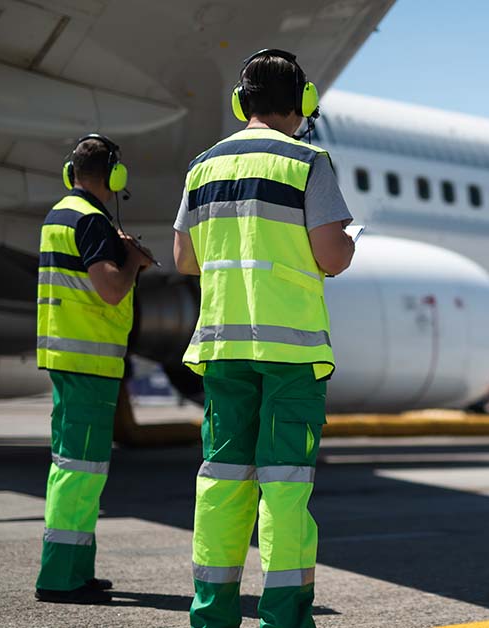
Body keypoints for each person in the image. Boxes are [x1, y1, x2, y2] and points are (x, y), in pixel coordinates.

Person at [173, 48, 355, 628]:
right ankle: (283, 617)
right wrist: (348, 244)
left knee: (221, 485)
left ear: (240, 102)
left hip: (224, 348)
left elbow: (184, 259)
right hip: (292, 353)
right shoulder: (308, 162)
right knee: (284, 489)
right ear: (303, 103)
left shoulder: (203, 167)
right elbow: (331, 256)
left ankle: (212, 615)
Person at [35, 134, 153, 604]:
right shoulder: (92, 221)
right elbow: (109, 289)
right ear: (115, 177)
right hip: (89, 361)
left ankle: (78, 569)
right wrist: (134, 262)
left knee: (77, 468)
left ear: (72, 173)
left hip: (68, 357)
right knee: (80, 471)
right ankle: (60, 578)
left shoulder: (59, 214)